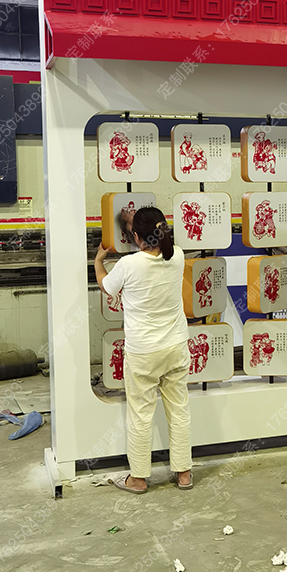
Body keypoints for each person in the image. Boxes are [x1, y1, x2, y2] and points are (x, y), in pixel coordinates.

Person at [95, 206, 192, 494]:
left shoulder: (128, 265)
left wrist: (98, 260)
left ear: (136, 237)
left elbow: (106, 286)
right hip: (176, 346)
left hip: (143, 352)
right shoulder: (178, 256)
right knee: (179, 410)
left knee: (140, 414)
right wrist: (137, 225)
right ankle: (184, 473)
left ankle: (137, 478)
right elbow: (158, 244)